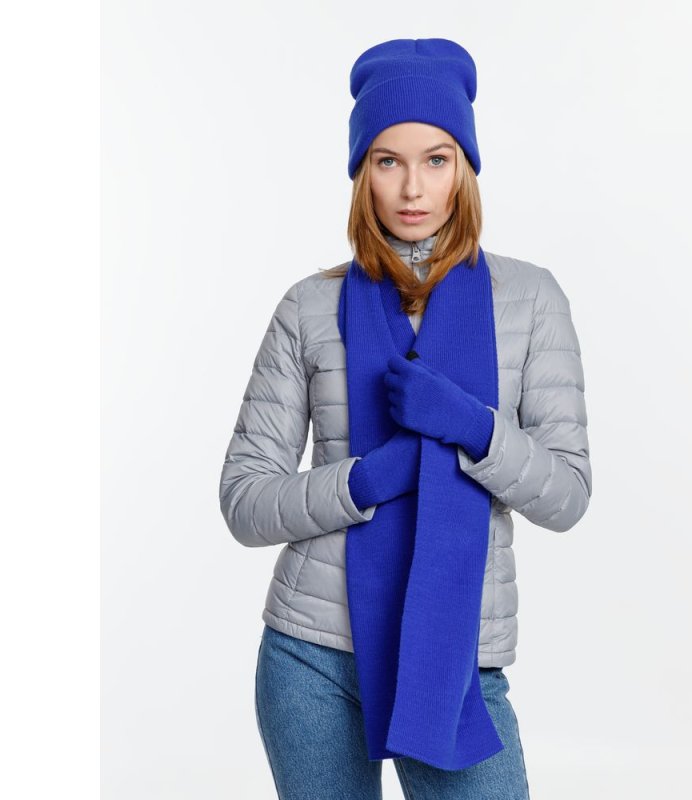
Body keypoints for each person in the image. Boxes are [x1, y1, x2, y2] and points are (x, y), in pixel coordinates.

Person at [219, 37, 592, 800]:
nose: (413, 187)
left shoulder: (530, 301)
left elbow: (568, 496)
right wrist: (363, 480)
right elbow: (245, 501)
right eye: (388, 161)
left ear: (465, 170)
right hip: (314, 657)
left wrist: (476, 429)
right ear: (363, 173)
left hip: (454, 662)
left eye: (437, 159)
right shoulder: (309, 307)